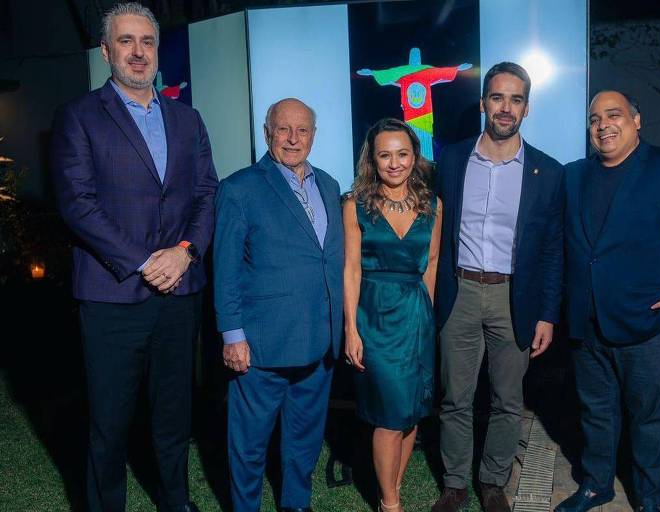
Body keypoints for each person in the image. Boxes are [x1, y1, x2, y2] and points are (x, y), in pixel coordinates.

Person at [50, 3, 218, 511]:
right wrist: (148, 262)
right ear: (106, 51)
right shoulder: (78, 117)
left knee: (174, 416)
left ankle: (175, 502)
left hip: (179, 293)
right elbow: (78, 205)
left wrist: (185, 253)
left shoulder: (187, 119)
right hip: (112, 294)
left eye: (147, 41)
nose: (138, 51)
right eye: (126, 41)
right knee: (110, 422)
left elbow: (207, 193)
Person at [554, 91, 660, 512]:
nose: (604, 125)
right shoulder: (573, 176)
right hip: (587, 322)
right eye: (594, 119)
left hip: (646, 326)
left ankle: (648, 499)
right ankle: (596, 485)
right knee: (595, 413)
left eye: (614, 115)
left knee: (647, 419)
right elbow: (568, 248)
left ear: (637, 120)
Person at [432, 62, 564, 512]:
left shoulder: (548, 172)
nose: (505, 108)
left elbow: (551, 251)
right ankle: (453, 484)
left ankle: (492, 482)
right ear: (484, 102)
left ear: (526, 108)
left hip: (515, 298)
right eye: (497, 97)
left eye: (516, 99)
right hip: (460, 292)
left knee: (509, 399)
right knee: (455, 397)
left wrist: (546, 314)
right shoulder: (451, 160)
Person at [214, 98, 344, 512]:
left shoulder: (328, 184)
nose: (292, 138)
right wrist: (232, 335)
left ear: (314, 135)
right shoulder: (239, 188)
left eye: (302, 130)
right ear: (266, 133)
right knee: (249, 446)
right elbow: (226, 269)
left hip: (320, 340)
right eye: (283, 129)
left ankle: (296, 505)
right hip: (262, 345)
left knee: (304, 441)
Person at [343, 118, 442, 512]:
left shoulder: (433, 204)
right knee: (388, 414)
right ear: (373, 159)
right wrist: (351, 329)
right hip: (374, 315)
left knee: (411, 409)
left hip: (416, 315)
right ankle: (391, 505)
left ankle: (393, 491)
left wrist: (428, 318)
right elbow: (350, 268)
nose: (395, 163)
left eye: (402, 154)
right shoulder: (356, 204)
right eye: (385, 155)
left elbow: (431, 263)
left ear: (415, 156)